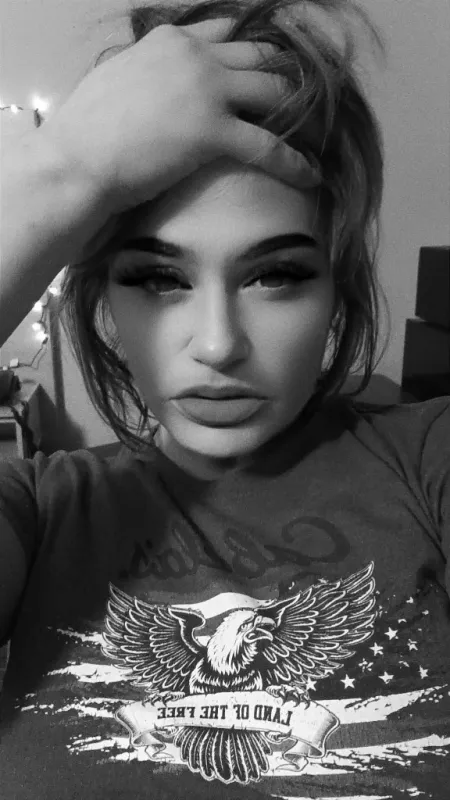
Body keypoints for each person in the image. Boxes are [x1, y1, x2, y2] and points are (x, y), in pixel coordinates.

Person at [0, 0, 448, 797]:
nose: (217, 344)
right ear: (105, 303)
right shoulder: (38, 511)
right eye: (159, 278)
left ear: (336, 294)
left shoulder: (430, 458)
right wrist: (61, 174)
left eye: (276, 275)